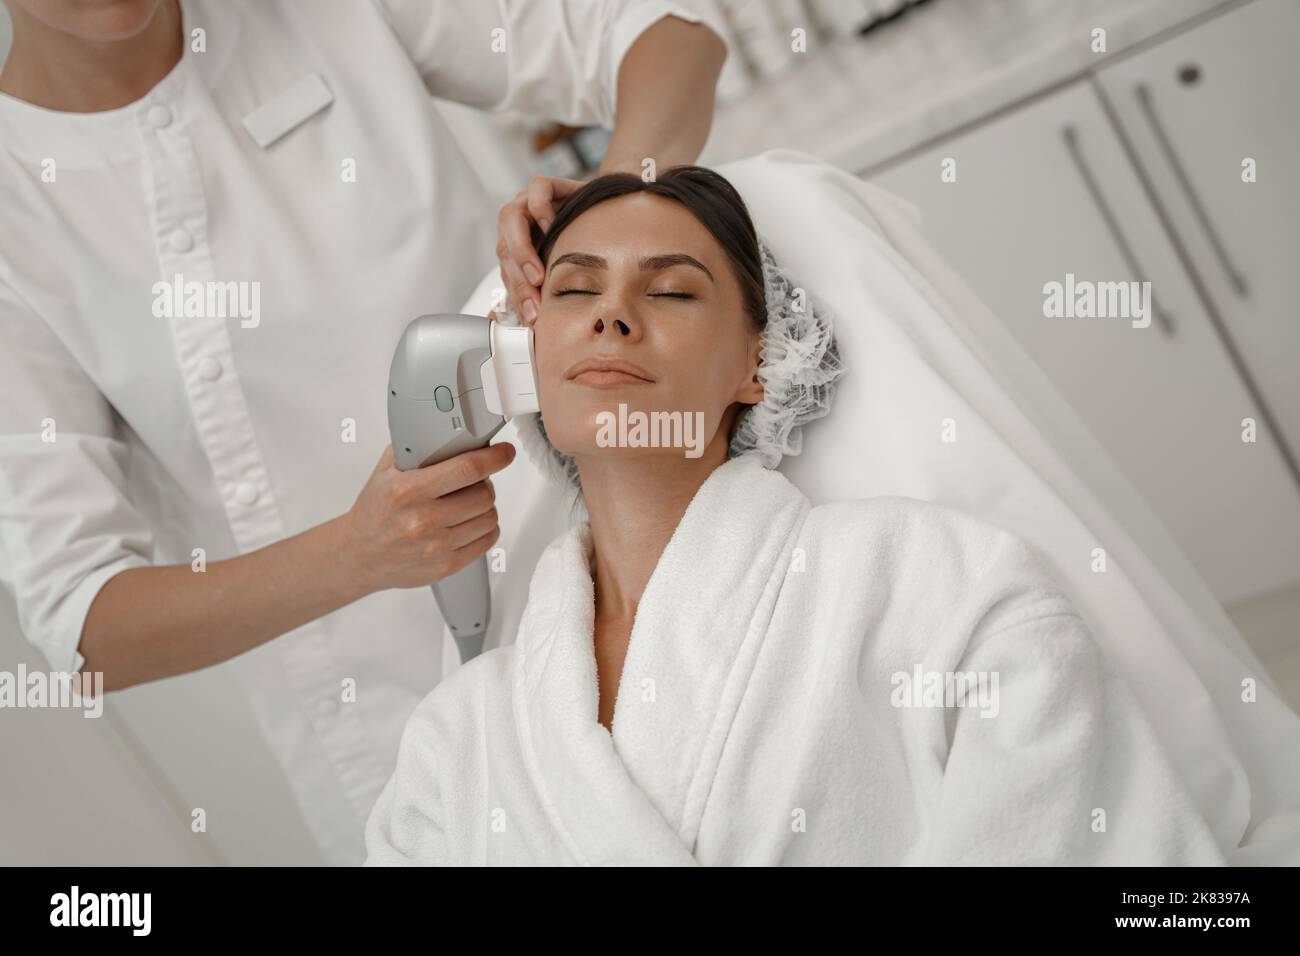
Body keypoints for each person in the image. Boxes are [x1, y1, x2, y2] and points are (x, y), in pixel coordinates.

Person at [0, 0, 726, 864]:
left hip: (646, 586)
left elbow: (671, 31)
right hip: (396, 731)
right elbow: (84, 626)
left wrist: (613, 220)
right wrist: (357, 553)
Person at [363, 166, 1226, 865]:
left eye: (669, 294)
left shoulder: (941, 589)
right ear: (526, 361)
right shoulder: (457, 739)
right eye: (574, 292)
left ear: (758, 364)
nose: (613, 315)